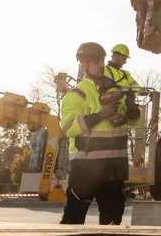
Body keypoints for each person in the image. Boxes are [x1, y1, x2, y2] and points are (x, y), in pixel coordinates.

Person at [59, 42, 140, 224]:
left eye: (102, 60)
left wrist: (132, 107)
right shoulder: (76, 94)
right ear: (83, 64)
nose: (102, 65)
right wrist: (101, 114)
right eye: (96, 61)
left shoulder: (116, 91)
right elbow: (68, 127)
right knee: (73, 219)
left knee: (112, 221)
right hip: (86, 168)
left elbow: (134, 121)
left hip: (114, 168)